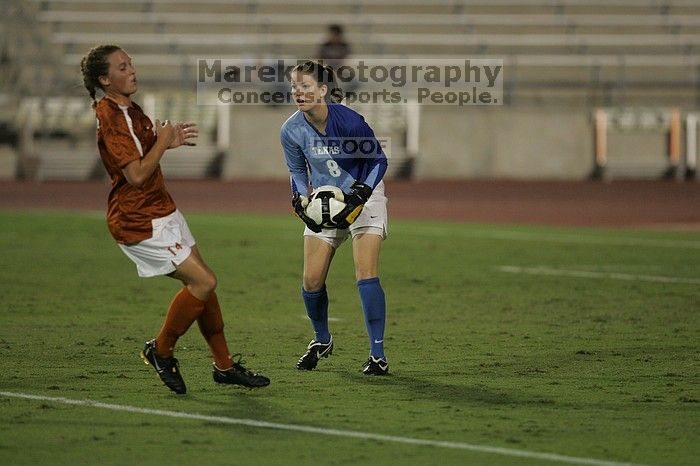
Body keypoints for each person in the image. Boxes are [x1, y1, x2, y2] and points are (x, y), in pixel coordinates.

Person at [79, 44, 269, 394]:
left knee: (204, 288)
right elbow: (135, 175)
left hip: (161, 209)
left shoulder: (130, 109)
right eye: (122, 67)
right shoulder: (110, 115)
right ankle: (161, 350)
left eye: (131, 63)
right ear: (105, 79)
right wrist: (163, 140)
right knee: (204, 282)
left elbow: (145, 153)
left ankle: (224, 367)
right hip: (137, 219)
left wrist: (167, 140)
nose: (132, 70)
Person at [280, 60, 390, 375]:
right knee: (311, 280)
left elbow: (378, 161)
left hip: (364, 195)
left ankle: (377, 355)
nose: (298, 92)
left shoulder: (350, 122)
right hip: (326, 201)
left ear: (323, 90)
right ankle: (321, 340)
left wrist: (361, 194)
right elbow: (297, 171)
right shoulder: (290, 130)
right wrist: (299, 198)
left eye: (305, 86)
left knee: (365, 273)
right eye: (294, 87)